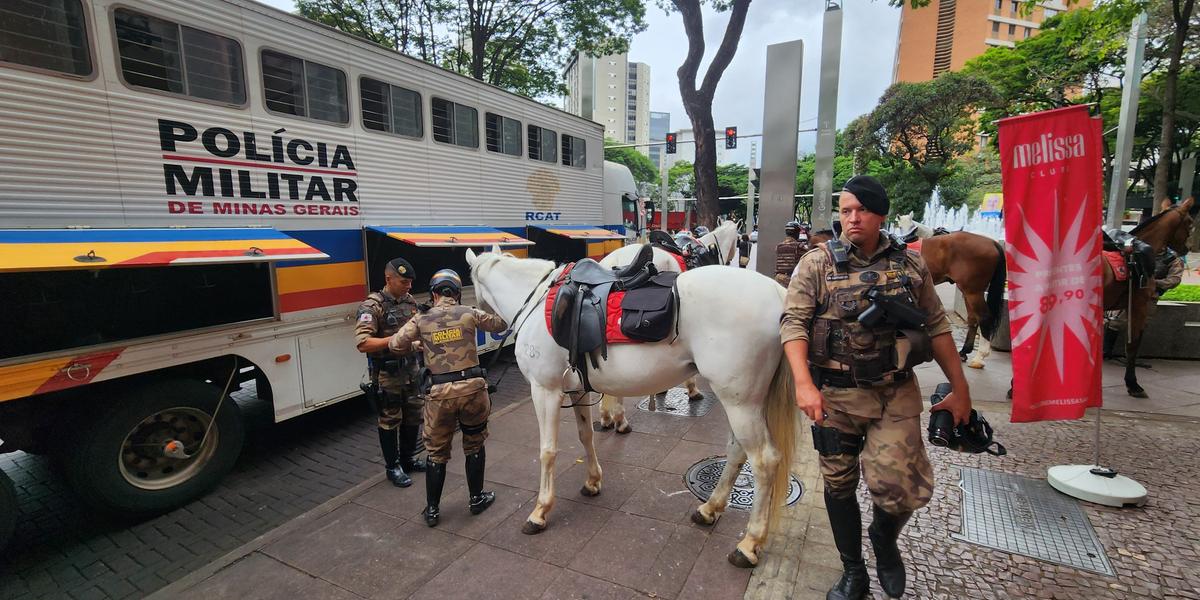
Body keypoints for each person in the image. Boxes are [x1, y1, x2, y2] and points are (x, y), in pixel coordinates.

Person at [780, 175, 973, 600]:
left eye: (860, 210)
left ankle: (885, 542)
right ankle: (853, 570)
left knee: (901, 487)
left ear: (880, 214)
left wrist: (961, 389)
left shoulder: (910, 264)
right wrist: (803, 384)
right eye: (845, 211)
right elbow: (792, 323)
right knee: (838, 482)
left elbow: (938, 326)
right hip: (835, 395)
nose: (852, 218)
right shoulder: (817, 263)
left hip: (894, 393)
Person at [388, 269, 508, 527]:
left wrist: (419, 343)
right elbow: (501, 324)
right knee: (474, 444)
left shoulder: (421, 318)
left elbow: (395, 345)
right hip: (473, 392)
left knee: (436, 452)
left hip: (439, 396)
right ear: (455, 292)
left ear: (433, 293)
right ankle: (476, 499)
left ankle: (432, 510)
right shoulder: (469, 313)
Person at [354, 258, 426, 488]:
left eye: (410, 282)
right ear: (389, 279)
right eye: (404, 281)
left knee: (414, 415)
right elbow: (363, 343)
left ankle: (408, 459)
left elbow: (414, 335)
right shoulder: (372, 306)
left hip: (411, 371)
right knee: (389, 420)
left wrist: (418, 344)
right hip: (388, 374)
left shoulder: (410, 301)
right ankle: (392, 466)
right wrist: (394, 340)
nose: (409, 286)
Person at [1103, 247, 1185, 359]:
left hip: (1149, 296)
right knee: (1115, 322)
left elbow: (1174, 280)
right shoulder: (1141, 252)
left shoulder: (1173, 259)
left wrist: (1151, 283)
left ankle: (1132, 357)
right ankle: (1106, 351)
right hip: (1130, 293)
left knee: (1140, 324)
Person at [774, 221, 806, 286]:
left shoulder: (779, 246)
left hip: (778, 278)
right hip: (791, 279)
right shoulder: (799, 246)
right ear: (796, 233)